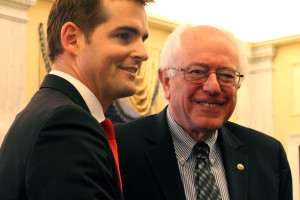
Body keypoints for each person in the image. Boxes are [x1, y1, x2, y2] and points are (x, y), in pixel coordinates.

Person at [114, 24, 293, 200]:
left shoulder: (268, 155)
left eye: (226, 75)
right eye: (197, 72)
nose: (213, 87)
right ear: (166, 81)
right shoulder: (116, 148)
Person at [0, 0, 154, 199]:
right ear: (72, 39)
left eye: (143, 39)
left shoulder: (50, 111)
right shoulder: (65, 124)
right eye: (124, 36)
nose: (143, 53)